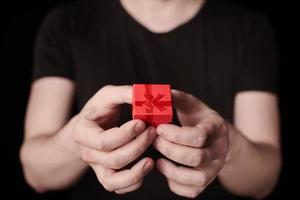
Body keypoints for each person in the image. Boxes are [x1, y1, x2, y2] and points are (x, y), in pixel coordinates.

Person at [20, 0, 281, 199]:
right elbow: (36, 173)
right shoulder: (66, 23)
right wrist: (77, 140)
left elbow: (264, 180)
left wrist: (229, 145)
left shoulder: (249, 29)